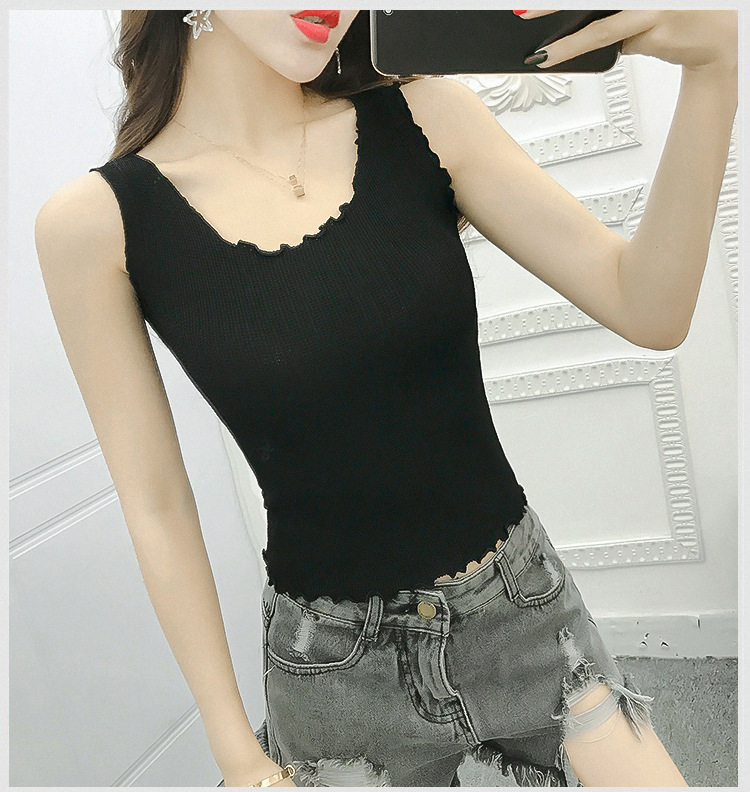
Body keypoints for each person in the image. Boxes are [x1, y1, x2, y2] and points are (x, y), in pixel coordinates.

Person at [34, 9, 736, 788]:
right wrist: (235, 749)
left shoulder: (427, 114)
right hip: (335, 673)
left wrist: (714, 70)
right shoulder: (95, 226)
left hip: (523, 612)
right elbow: (158, 505)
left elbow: (649, 307)